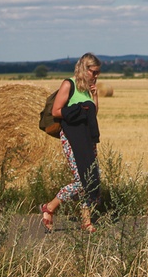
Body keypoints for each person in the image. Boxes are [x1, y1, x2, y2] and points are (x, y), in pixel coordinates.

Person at [40, 53, 102, 233]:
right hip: (72, 139)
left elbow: (93, 114)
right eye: (94, 72)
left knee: (91, 178)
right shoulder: (69, 84)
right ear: (84, 68)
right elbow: (57, 111)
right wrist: (79, 109)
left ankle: (86, 221)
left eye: (98, 73)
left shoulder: (89, 88)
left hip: (87, 138)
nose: (96, 76)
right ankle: (50, 207)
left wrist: (94, 97)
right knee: (82, 181)